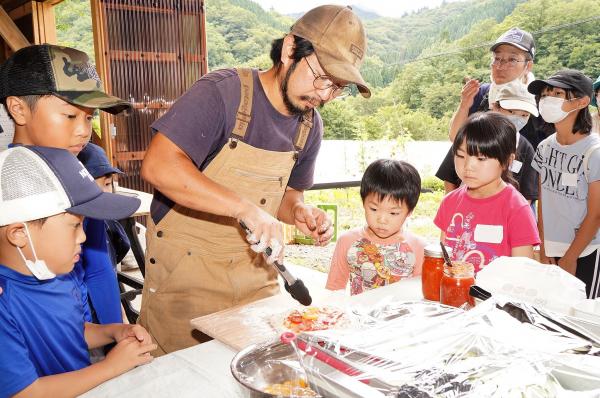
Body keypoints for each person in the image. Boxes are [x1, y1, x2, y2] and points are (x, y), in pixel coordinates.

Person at [138, 5, 371, 354]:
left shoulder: (310, 126)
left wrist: (300, 213)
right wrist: (244, 209)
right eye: (321, 78)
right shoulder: (222, 93)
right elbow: (159, 166)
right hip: (186, 278)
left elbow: (287, 196)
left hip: (256, 283)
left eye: (337, 88)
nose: (324, 95)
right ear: (290, 49)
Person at [0, 146, 156, 397]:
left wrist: (114, 331)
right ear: (19, 234)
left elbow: (73, 332)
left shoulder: (64, 274)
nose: (83, 236)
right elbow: (25, 392)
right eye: (74, 225)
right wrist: (110, 367)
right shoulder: (3, 301)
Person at [0, 44, 131, 325]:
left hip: (78, 329)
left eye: (89, 116)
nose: (84, 131)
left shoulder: (79, 179)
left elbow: (97, 266)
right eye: (70, 115)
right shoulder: (5, 183)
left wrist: (115, 333)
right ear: (18, 109)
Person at [436, 27, 548, 192]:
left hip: (518, 198)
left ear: (528, 65)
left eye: (511, 59)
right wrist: (464, 105)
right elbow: (456, 138)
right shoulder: (482, 93)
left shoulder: (539, 103)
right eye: (497, 58)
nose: (501, 65)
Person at [435, 112, 540, 272]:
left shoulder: (517, 209)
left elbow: (521, 272)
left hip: (496, 295)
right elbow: (444, 258)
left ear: (507, 161)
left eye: (481, 158)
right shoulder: (450, 202)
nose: (468, 166)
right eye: (461, 155)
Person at [529, 69, 600, 298]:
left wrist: (571, 256)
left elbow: (596, 214)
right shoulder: (544, 147)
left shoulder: (594, 151)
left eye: (557, 93)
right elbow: (543, 203)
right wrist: (543, 246)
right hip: (552, 249)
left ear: (581, 102)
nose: (547, 99)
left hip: (586, 250)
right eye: (545, 93)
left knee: (583, 315)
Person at [326, 159, 425, 295]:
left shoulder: (418, 248)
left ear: (410, 211)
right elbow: (334, 290)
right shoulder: (347, 242)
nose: (382, 220)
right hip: (358, 315)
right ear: (363, 203)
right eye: (373, 209)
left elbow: (420, 294)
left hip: (400, 316)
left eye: (393, 213)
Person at [78, 143, 132, 269]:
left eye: (107, 184)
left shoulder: (108, 223)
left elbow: (123, 246)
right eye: (92, 185)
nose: (104, 192)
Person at [489, 81, 539, 205]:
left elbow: (527, 195)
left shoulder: (526, 148)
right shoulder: (473, 134)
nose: (518, 119)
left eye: (524, 115)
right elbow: (450, 176)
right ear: (496, 107)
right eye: (511, 112)